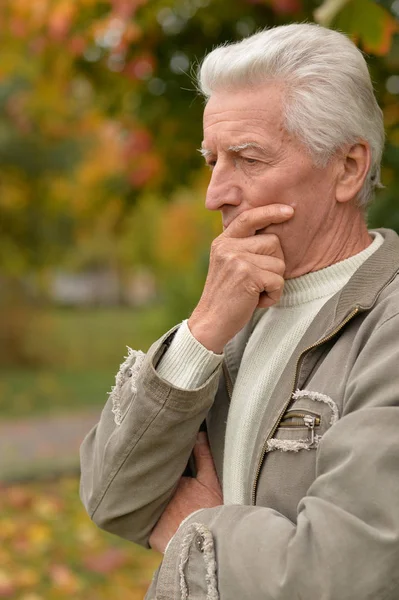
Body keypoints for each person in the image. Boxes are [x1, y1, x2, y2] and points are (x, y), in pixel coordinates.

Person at [80, 23, 399, 599]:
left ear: (349, 168)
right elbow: (112, 498)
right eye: (212, 161)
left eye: (248, 158)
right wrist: (203, 331)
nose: (216, 193)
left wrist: (197, 531)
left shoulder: (389, 326)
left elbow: (339, 577)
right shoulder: (233, 312)